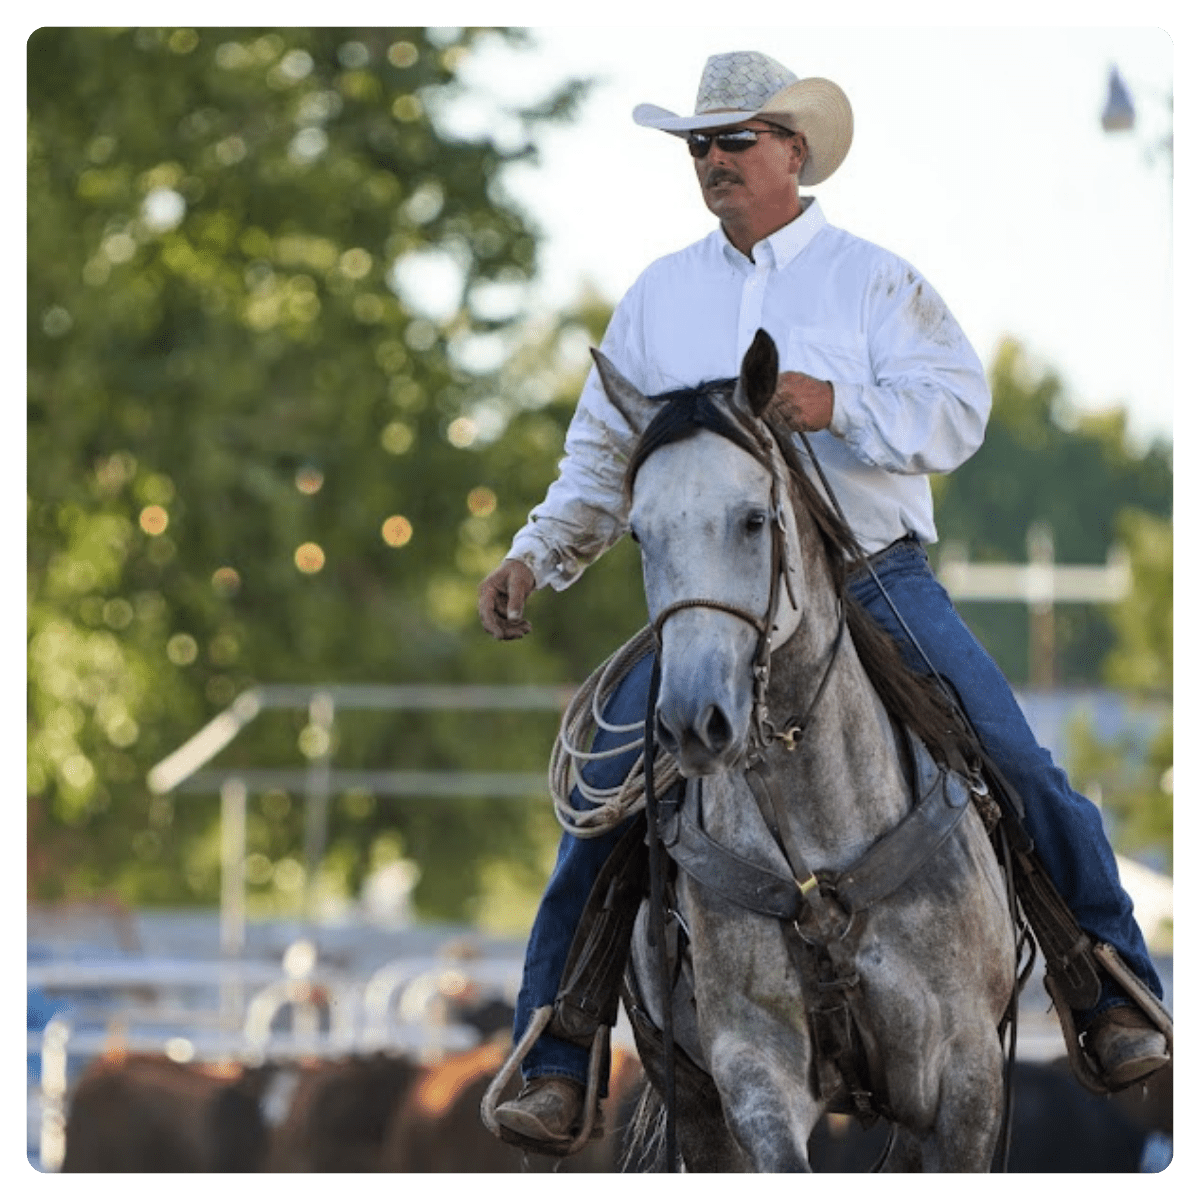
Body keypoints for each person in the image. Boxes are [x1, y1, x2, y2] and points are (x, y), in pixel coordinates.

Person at [477, 51, 1170, 1147]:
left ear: (792, 150)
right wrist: (535, 554)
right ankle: (557, 1048)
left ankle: (1108, 977)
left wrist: (838, 402)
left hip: (871, 575)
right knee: (597, 810)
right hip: (712, 597)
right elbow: (602, 456)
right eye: (697, 146)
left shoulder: (873, 281)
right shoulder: (660, 297)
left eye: (733, 140)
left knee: (1016, 759)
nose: (711, 161)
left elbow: (957, 409)